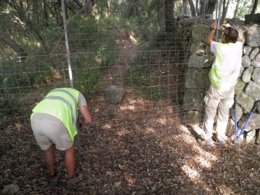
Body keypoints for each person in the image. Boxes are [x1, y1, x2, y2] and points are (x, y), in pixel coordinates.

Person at [30, 87, 92, 187]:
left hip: (35, 118)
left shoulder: (54, 90)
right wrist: (82, 124)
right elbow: (88, 119)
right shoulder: (78, 94)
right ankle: (71, 179)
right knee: (69, 150)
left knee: (47, 149)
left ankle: (53, 176)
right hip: (55, 121)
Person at [201, 20, 243, 146]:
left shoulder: (219, 47)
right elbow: (239, 38)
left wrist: (213, 29)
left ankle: (207, 138)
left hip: (217, 86)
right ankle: (220, 137)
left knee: (210, 110)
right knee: (224, 113)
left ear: (225, 37)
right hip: (230, 87)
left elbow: (208, 42)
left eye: (223, 34)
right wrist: (229, 27)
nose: (222, 36)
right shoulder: (238, 46)